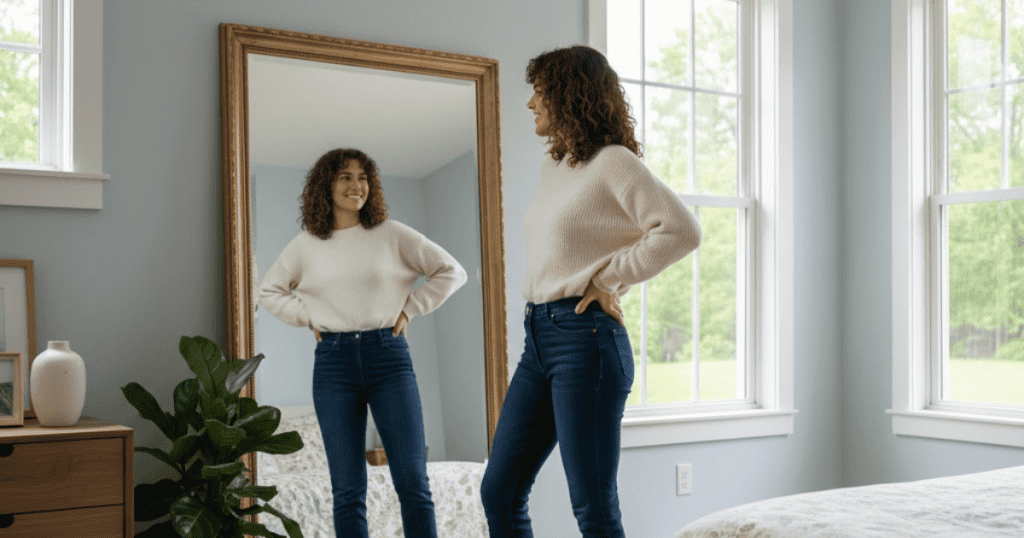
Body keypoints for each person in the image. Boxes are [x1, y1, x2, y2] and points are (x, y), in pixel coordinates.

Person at [480, 45, 702, 537]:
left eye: (538, 92)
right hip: (538, 339)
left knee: (593, 508)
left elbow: (681, 229)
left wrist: (607, 279)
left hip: (586, 341)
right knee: (499, 490)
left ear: (567, 94)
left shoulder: (612, 162)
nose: (529, 103)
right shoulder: (554, 166)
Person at [258, 148, 467, 538]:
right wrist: (309, 317)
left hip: (388, 358)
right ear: (326, 186)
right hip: (334, 364)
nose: (357, 186)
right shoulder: (305, 245)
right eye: (345, 177)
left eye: (363, 177)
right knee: (348, 490)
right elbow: (269, 291)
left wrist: (411, 309)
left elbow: (451, 271)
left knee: (412, 483)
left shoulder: (392, 234)